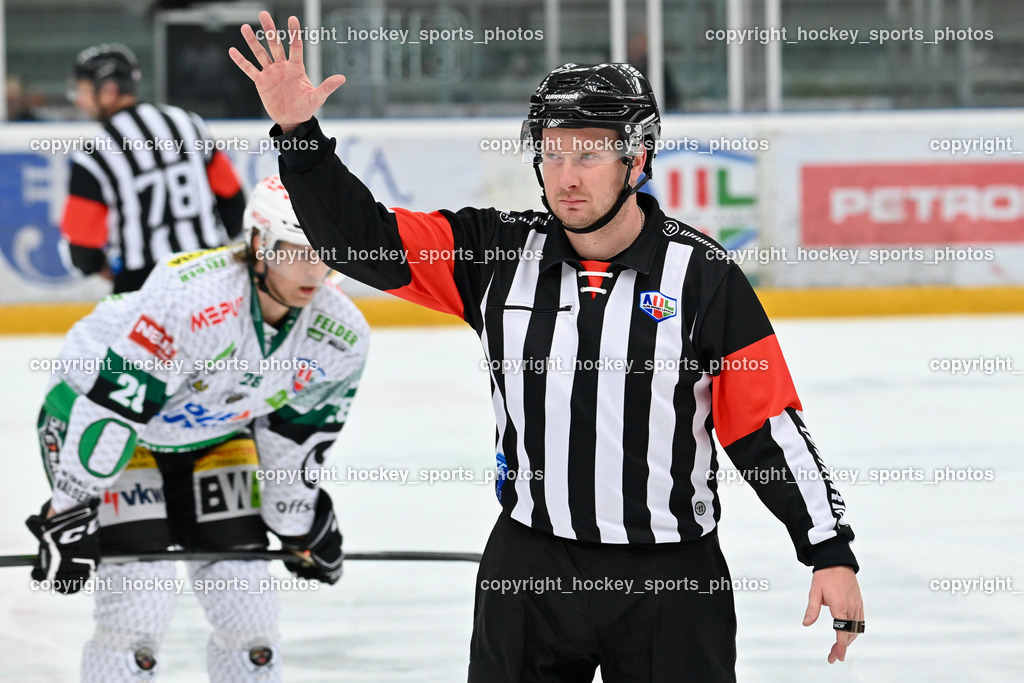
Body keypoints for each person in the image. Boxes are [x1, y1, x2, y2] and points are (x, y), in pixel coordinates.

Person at [230, 13, 865, 682]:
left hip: (671, 579)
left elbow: (765, 424)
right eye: (553, 151)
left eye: (588, 153)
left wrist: (828, 547)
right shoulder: (495, 253)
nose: (566, 174)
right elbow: (362, 241)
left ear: (637, 158)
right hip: (529, 567)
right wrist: (300, 137)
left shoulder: (703, 276)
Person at [27, 174, 369, 682]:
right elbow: (116, 411)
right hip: (108, 427)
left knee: (249, 606)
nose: (314, 270)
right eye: (296, 251)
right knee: (139, 600)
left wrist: (299, 525)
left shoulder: (340, 336)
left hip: (212, 431)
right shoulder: (192, 299)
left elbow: (291, 443)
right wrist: (70, 511)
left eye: (325, 252)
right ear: (258, 243)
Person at [61, 43, 246, 293]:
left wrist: (95, 266)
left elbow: (81, 240)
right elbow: (233, 198)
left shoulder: (95, 154)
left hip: (143, 284)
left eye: (83, 91)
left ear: (109, 91)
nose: (80, 101)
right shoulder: (187, 123)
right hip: (210, 273)